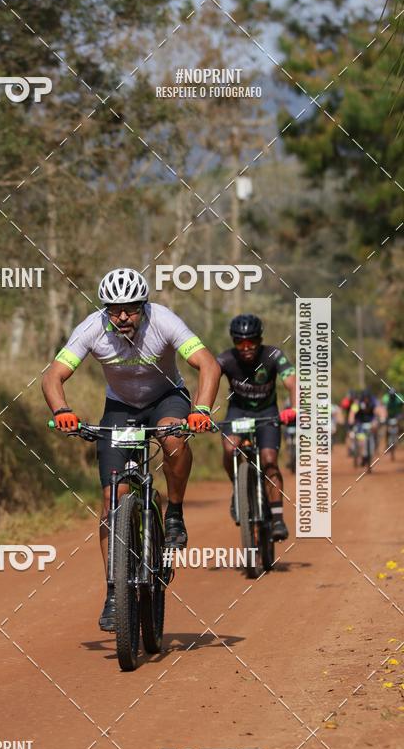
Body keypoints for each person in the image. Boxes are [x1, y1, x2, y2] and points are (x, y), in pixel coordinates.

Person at [42, 267, 220, 631]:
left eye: (131, 308)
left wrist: (200, 411)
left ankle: (174, 514)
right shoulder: (92, 328)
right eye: (114, 309)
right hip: (121, 408)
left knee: (172, 437)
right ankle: (113, 591)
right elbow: (53, 375)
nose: (123, 316)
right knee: (113, 498)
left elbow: (208, 366)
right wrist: (62, 411)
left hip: (166, 398)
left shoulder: (164, 321)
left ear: (144, 306)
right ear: (105, 309)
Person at [216, 314, 296, 542]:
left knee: (269, 459)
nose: (246, 347)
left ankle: (278, 517)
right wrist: (201, 411)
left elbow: (292, 381)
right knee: (231, 449)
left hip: (267, 413)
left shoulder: (274, 355)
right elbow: (210, 377)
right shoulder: (225, 359)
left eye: (251, 341)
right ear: (233, 342)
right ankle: (238, 490)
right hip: (238, 412)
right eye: (240, 342)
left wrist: (296, 408)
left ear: (260, 340)